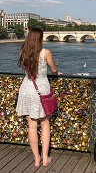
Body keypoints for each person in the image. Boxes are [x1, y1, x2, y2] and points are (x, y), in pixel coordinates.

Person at [16, 27, 62, 167]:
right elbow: (53, 70)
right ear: (40, 39)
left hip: (26, 88)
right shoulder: (45, 52)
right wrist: (56, 73)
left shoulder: (23, 52)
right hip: (41, 90)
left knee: (31, 126)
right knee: (45, 123)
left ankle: (36, 158)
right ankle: (45, 158)